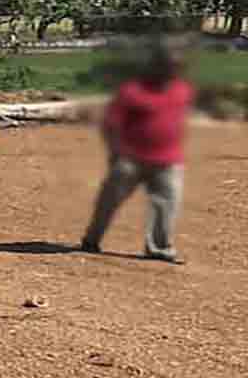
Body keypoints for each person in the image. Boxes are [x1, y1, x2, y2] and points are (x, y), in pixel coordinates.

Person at [81, 42, 193, 264]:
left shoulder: (183, 91)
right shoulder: (132, 91)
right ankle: (91, 239)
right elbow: (111, 124)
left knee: (167, 205)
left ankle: (160, 248)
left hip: (168, 160)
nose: (172, 71)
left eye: (176, 67)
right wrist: (116, 152)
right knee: (109, 202)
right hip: (131, 159)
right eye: (168, 66)